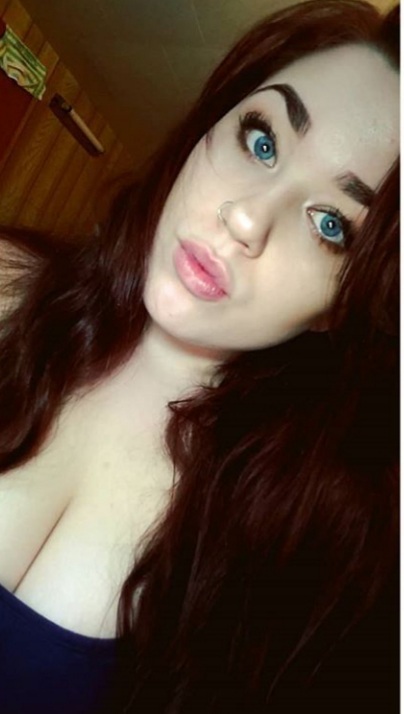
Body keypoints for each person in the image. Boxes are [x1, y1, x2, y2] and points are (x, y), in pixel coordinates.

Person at [0, 0, 399, 712]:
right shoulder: (5, 283)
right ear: (209, 124)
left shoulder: (282, 557)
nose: (246, 219)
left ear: (345, 307)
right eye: (263, 141)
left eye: (332, 225)